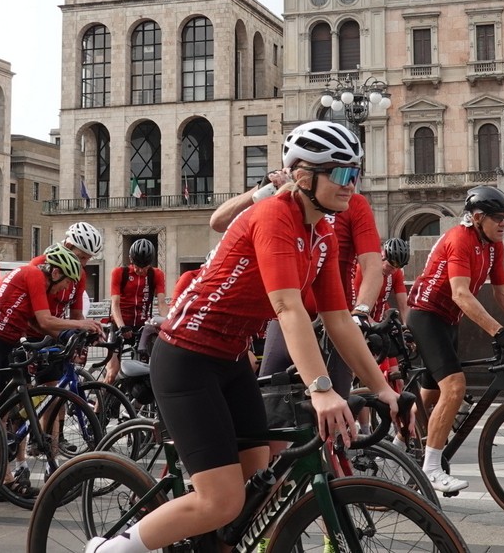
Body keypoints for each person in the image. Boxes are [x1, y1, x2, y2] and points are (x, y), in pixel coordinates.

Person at [90, 121, 401, 553]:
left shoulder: (323, 232)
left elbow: (339, 320)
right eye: (342, 173)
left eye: (356, 173)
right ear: (301, 175)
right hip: (187, 357)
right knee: (221, 499)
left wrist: (382, 388)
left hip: (231, 358)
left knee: (258, 481)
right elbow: (288, 308)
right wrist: (321, 389)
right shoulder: (273, 215)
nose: (352, 185)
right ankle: (110, 550)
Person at [406, 185, 504, 493]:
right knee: (454, 386)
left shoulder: (493, 245)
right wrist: (500, 332)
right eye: (498, 218)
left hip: (449, 321)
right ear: (478, 218)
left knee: (429, 396)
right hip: (426, 316)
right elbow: (460, 294)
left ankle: (401, 443)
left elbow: (502, 292)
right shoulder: (460, 240)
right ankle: (430, 469)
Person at [211, 165, 387, 398]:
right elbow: (218, 222)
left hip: (334, 319)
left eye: (352, 176)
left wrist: (361, 312)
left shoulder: (350, 207)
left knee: (338, 411)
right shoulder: (278, 205)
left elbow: (373, 266)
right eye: (339, 174)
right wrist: (264, 187)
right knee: (272, 404)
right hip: (284, 316)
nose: (348, 184)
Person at [0, 244, 102, 492]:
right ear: (56, 273)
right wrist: (81, 325)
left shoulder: (39, 279)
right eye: (66, 282)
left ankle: (2, 478)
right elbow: (45, 320)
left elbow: (38, 323)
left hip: (8, 341)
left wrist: (70, 334)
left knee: (3, 409)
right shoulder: (34, 274)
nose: (66, 289)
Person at [106, 238, 165, 379]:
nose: (140, 270)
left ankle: (133, 401)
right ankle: (100, 401)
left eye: (145, 267)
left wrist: (167, 322)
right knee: (112, 372)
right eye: (137, 265)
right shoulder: (120, 273)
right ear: (130, 259)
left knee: (142, 375)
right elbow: (115, 304)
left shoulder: (156, 274)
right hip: (120, 325)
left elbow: (162, 303)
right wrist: (121, 327)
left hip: (141, 327)